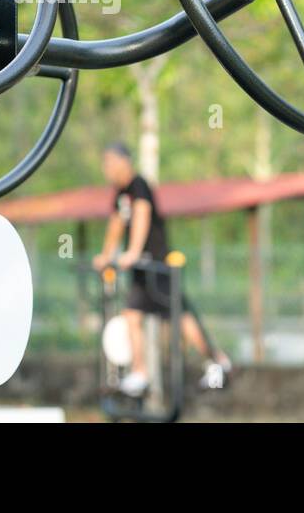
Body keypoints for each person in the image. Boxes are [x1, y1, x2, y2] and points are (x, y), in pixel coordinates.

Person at [92, 142, 232, 396]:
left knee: (181, 319)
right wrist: (105, 255)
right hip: (141, 272)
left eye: (110, 162)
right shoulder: (120, 194)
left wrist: (133, 252)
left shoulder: (139, 186)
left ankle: (216, 360)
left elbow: (142, 216)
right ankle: (140, 373)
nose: (107, 169)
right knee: (131, 315)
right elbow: (116, 225)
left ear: (125, 162)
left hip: (158, 268)